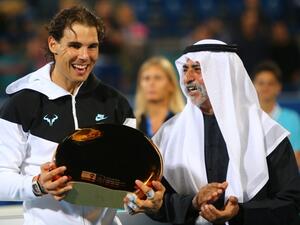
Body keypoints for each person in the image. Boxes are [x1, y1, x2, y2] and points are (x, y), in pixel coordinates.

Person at [124, 39, 300, 225]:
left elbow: (291, 204)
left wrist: (239, 213)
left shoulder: (265, 133)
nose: (187, 78)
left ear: (221, 74)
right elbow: (158, 205)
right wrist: (193, 202)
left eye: (197, 69)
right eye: (185, 69)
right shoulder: (170, 134)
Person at [0, 6, 135, 225]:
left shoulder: (117, 105)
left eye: (92, 47)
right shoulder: (22, 104)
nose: (84, 56)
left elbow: (128, 175)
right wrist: (37, 185)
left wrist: (142, 196)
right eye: (75, 45)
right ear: (53, 44)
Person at [252, 60, 300, 169]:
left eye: (270, 83)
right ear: (253, 86)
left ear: (278, 87)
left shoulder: (292, 119)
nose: (265, 88)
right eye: (261, 83)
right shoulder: (246, 119)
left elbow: (296, 157)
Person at [135, 56, 185, 137]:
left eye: (157, 78)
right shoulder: (132, 124)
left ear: (171, 85)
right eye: (146, 78)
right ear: (140, 85)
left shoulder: (183, 122)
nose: (151, 83)